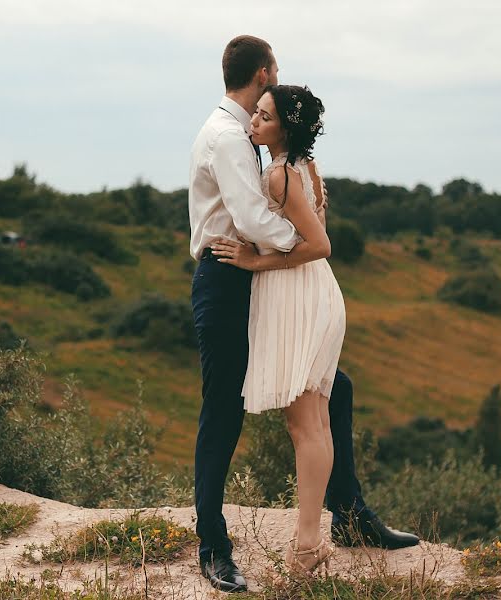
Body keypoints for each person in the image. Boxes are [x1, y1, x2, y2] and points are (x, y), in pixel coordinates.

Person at [189, 35, 418, 593]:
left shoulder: (255, 143)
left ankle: (351, 515)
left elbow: (282, 209)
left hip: (268, 274)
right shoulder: (226, 135)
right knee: (223, 408)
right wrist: (304, 238)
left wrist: (295, 243)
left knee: (334, 389)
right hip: (230, 274)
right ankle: (213, 545)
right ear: (264, 73)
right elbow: (250, 216)